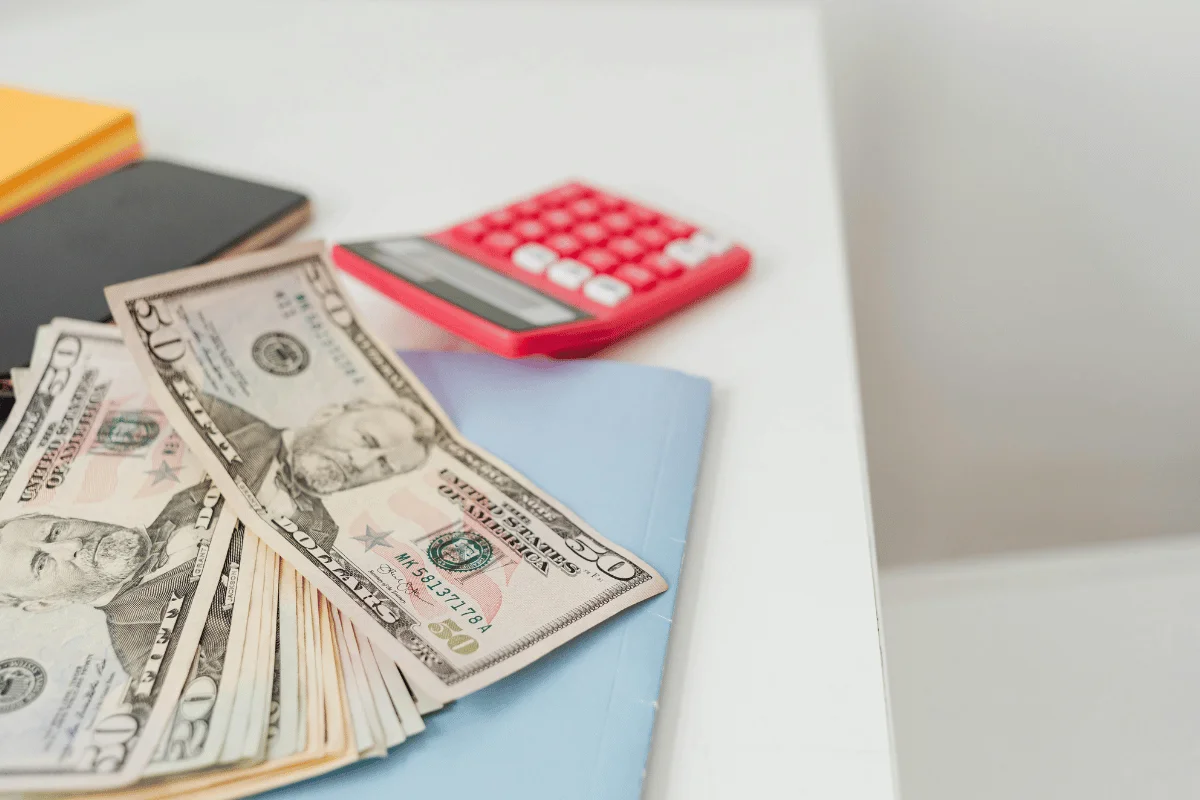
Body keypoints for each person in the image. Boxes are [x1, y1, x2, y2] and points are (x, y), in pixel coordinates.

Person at [0, 480, 216, 678]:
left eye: (55, 532)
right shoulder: (145, 655)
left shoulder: (185, 499)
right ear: (45, 603)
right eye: (42, 564)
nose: (73, 544)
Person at [195, 392, 436, 549]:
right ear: (327, 414)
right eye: (367, 440)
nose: (360, 463)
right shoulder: (213, 415)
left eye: (383, 466)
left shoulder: (323, 534)